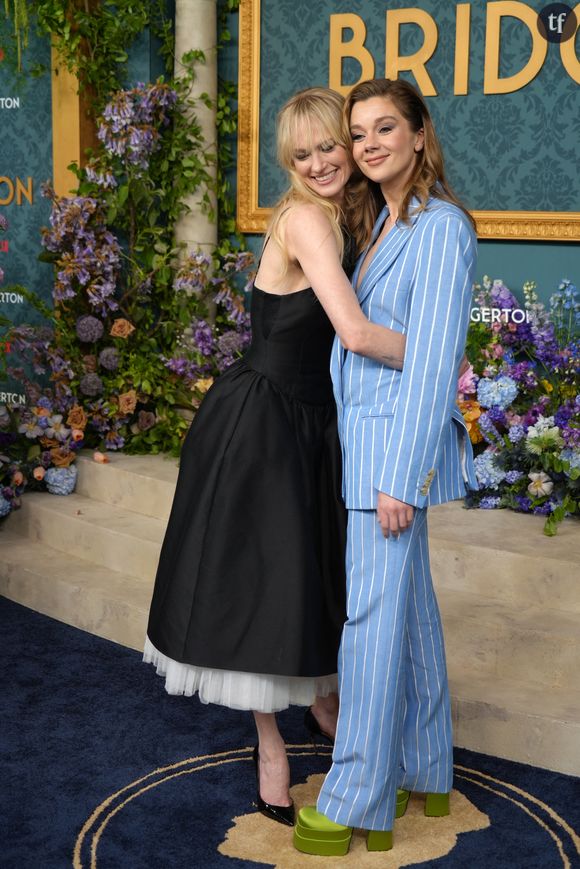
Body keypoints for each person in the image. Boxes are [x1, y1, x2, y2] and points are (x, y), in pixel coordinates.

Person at [144, 87, 406, 827]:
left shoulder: (347, 215)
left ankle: (324, 703)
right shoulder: (305, 219)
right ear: (288, 163)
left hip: (310, 421)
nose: (322, 162)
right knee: (265, 585)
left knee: (311, 577)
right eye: (303, 154)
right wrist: (440, 357)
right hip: (263, 426)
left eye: (332, 145)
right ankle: (271, 753)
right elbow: (353, 332)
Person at [294, 78, 479, 856]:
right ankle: (426, 765)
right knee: (411, 613)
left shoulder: (440, 227)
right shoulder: (380, 222)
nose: (368, 145)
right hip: (368, 445)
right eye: (358, 132)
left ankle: (357, 796)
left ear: (419, 135)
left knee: (368, 626)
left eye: (384, 129)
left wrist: (402, 475)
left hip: (389, 458)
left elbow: (433, 361)